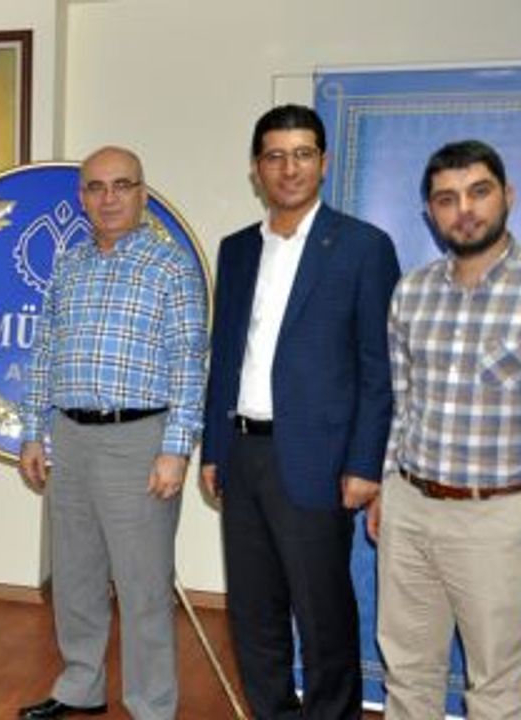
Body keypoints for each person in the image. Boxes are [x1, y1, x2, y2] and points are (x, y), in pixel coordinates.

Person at [200, 104, 399, 719]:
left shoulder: (363, 247)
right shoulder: (236, 250)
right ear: (256, 169)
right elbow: (226, 356)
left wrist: (365, 463)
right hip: (243, 455)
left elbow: (379, 368)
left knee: (322, 615)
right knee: (253, 611)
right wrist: (214, 449)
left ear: (324, 162)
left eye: (303, 154)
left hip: (320, 459)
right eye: (275, 156)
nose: (290, 168)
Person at [17, 146, 208, 720]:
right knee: (75, 575)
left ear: (142, 194)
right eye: (96, 187)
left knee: (143, 585)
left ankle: (151, 705)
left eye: (121, 185)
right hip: (70, 437)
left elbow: (189, 362)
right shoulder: (70, 264)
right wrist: (34, 432)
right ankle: (81, 685)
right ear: (81, 198)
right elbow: (45, 351)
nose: (108, 198)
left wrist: (176, 449)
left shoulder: (170, 266)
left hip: (139, 441)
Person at [373, 140, 521, 720]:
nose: (465, 210)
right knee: (408, 672)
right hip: (410, 510)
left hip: (498, 519)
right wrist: (388, 487)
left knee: (498, 684)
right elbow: (402, 401)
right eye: (446, 198)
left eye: (478, 192)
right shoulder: (411, 292)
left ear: (507, 196)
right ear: (429, 213)